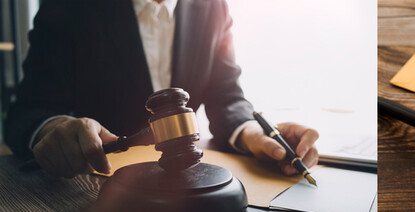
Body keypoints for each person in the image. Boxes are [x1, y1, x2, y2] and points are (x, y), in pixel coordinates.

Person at [4, 0, 319, 178]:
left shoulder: (213, 7)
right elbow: (28, 110)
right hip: (96, 189)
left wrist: (254, 133)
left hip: (186, 184)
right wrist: (56, 127)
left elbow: (227, 94)